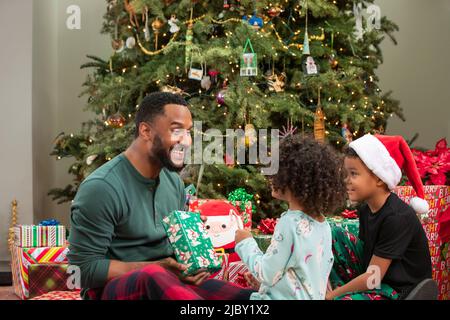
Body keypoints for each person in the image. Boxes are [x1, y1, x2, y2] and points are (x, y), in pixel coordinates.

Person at [68, 92, 253, 300]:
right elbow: (79, 271)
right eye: (176, 130)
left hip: (168, 284)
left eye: (188, 132)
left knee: (248, 299)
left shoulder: (173, 182)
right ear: (146, 131)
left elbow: (173, 255)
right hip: (113, 291)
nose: (187, 141)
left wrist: (190, 247)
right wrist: (156, 267)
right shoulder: (101, 188)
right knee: (153, 275)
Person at [235, 135, 347, 299]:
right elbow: (303, 277)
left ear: (293, 179)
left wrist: (245, 242)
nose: (269, 178)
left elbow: (266, 272)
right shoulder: (323, 225)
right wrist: (265, 286)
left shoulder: (290, 223)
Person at [326, 134, 432, 300]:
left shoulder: (397, 217)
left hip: (399, 290)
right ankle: (340, 288)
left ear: (379, 178)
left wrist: (332, 296)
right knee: (331, 232)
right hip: (376, 276)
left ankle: (339, 292)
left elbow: (372, 278)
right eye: (346, 174)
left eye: (353, 174)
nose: (346, 180)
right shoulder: (365, 209)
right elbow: (369, 265)